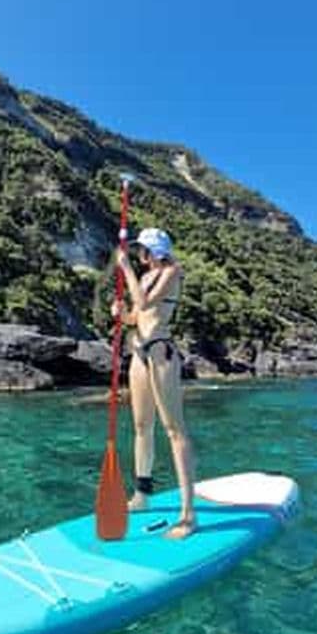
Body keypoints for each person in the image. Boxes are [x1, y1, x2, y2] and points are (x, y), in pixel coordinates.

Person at [112, 227, 197, 539]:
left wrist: (125, 269)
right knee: (141, 426)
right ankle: (142, 495)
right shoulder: (146, 276)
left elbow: (147, 303)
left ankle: (188, 515)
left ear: (154, 251)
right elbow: (138, 315)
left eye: (141, 249)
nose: (137, 254)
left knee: (174, 430)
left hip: (161, 352)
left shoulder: (171, 271)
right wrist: (122, 315)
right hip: (138, 352)